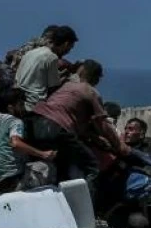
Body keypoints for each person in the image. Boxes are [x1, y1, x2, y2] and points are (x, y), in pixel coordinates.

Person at [30, 60, 125, 195]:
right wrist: (119, 145)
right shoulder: (90, 91)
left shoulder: (66, 86)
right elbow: (102, 123)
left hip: (36, 123)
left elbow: (78, 126)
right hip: (57, 127)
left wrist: (94, 137)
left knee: (63, 165)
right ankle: (87, 208)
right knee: (92, 167)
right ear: (96, 78)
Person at [0, 87, 55, 193]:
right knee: (47, 167)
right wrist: (43, 154)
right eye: (21, 105)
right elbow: (15, 143)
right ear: (10, 108)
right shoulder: (15, 121)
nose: (23, 108)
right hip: (11, 178)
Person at [15, 25, 77, 107]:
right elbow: (53, 87)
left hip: (17, 98)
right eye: (70, 48)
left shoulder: (31, 52)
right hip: (33, 104)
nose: (68, 52)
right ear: (66, 44)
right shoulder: (51, 57)